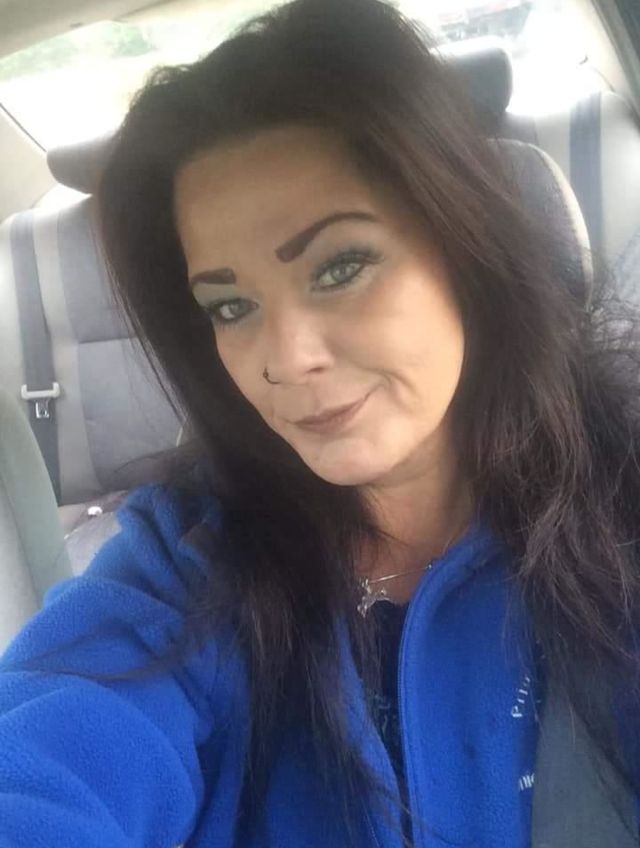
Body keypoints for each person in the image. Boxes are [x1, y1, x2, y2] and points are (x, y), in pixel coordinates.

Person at [2, 0, 640, 845]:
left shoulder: (617, 489)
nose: (285, 359)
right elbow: (49, 751)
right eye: (231, 306)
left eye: (341, 267)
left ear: (466, 249)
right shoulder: (186, 556)